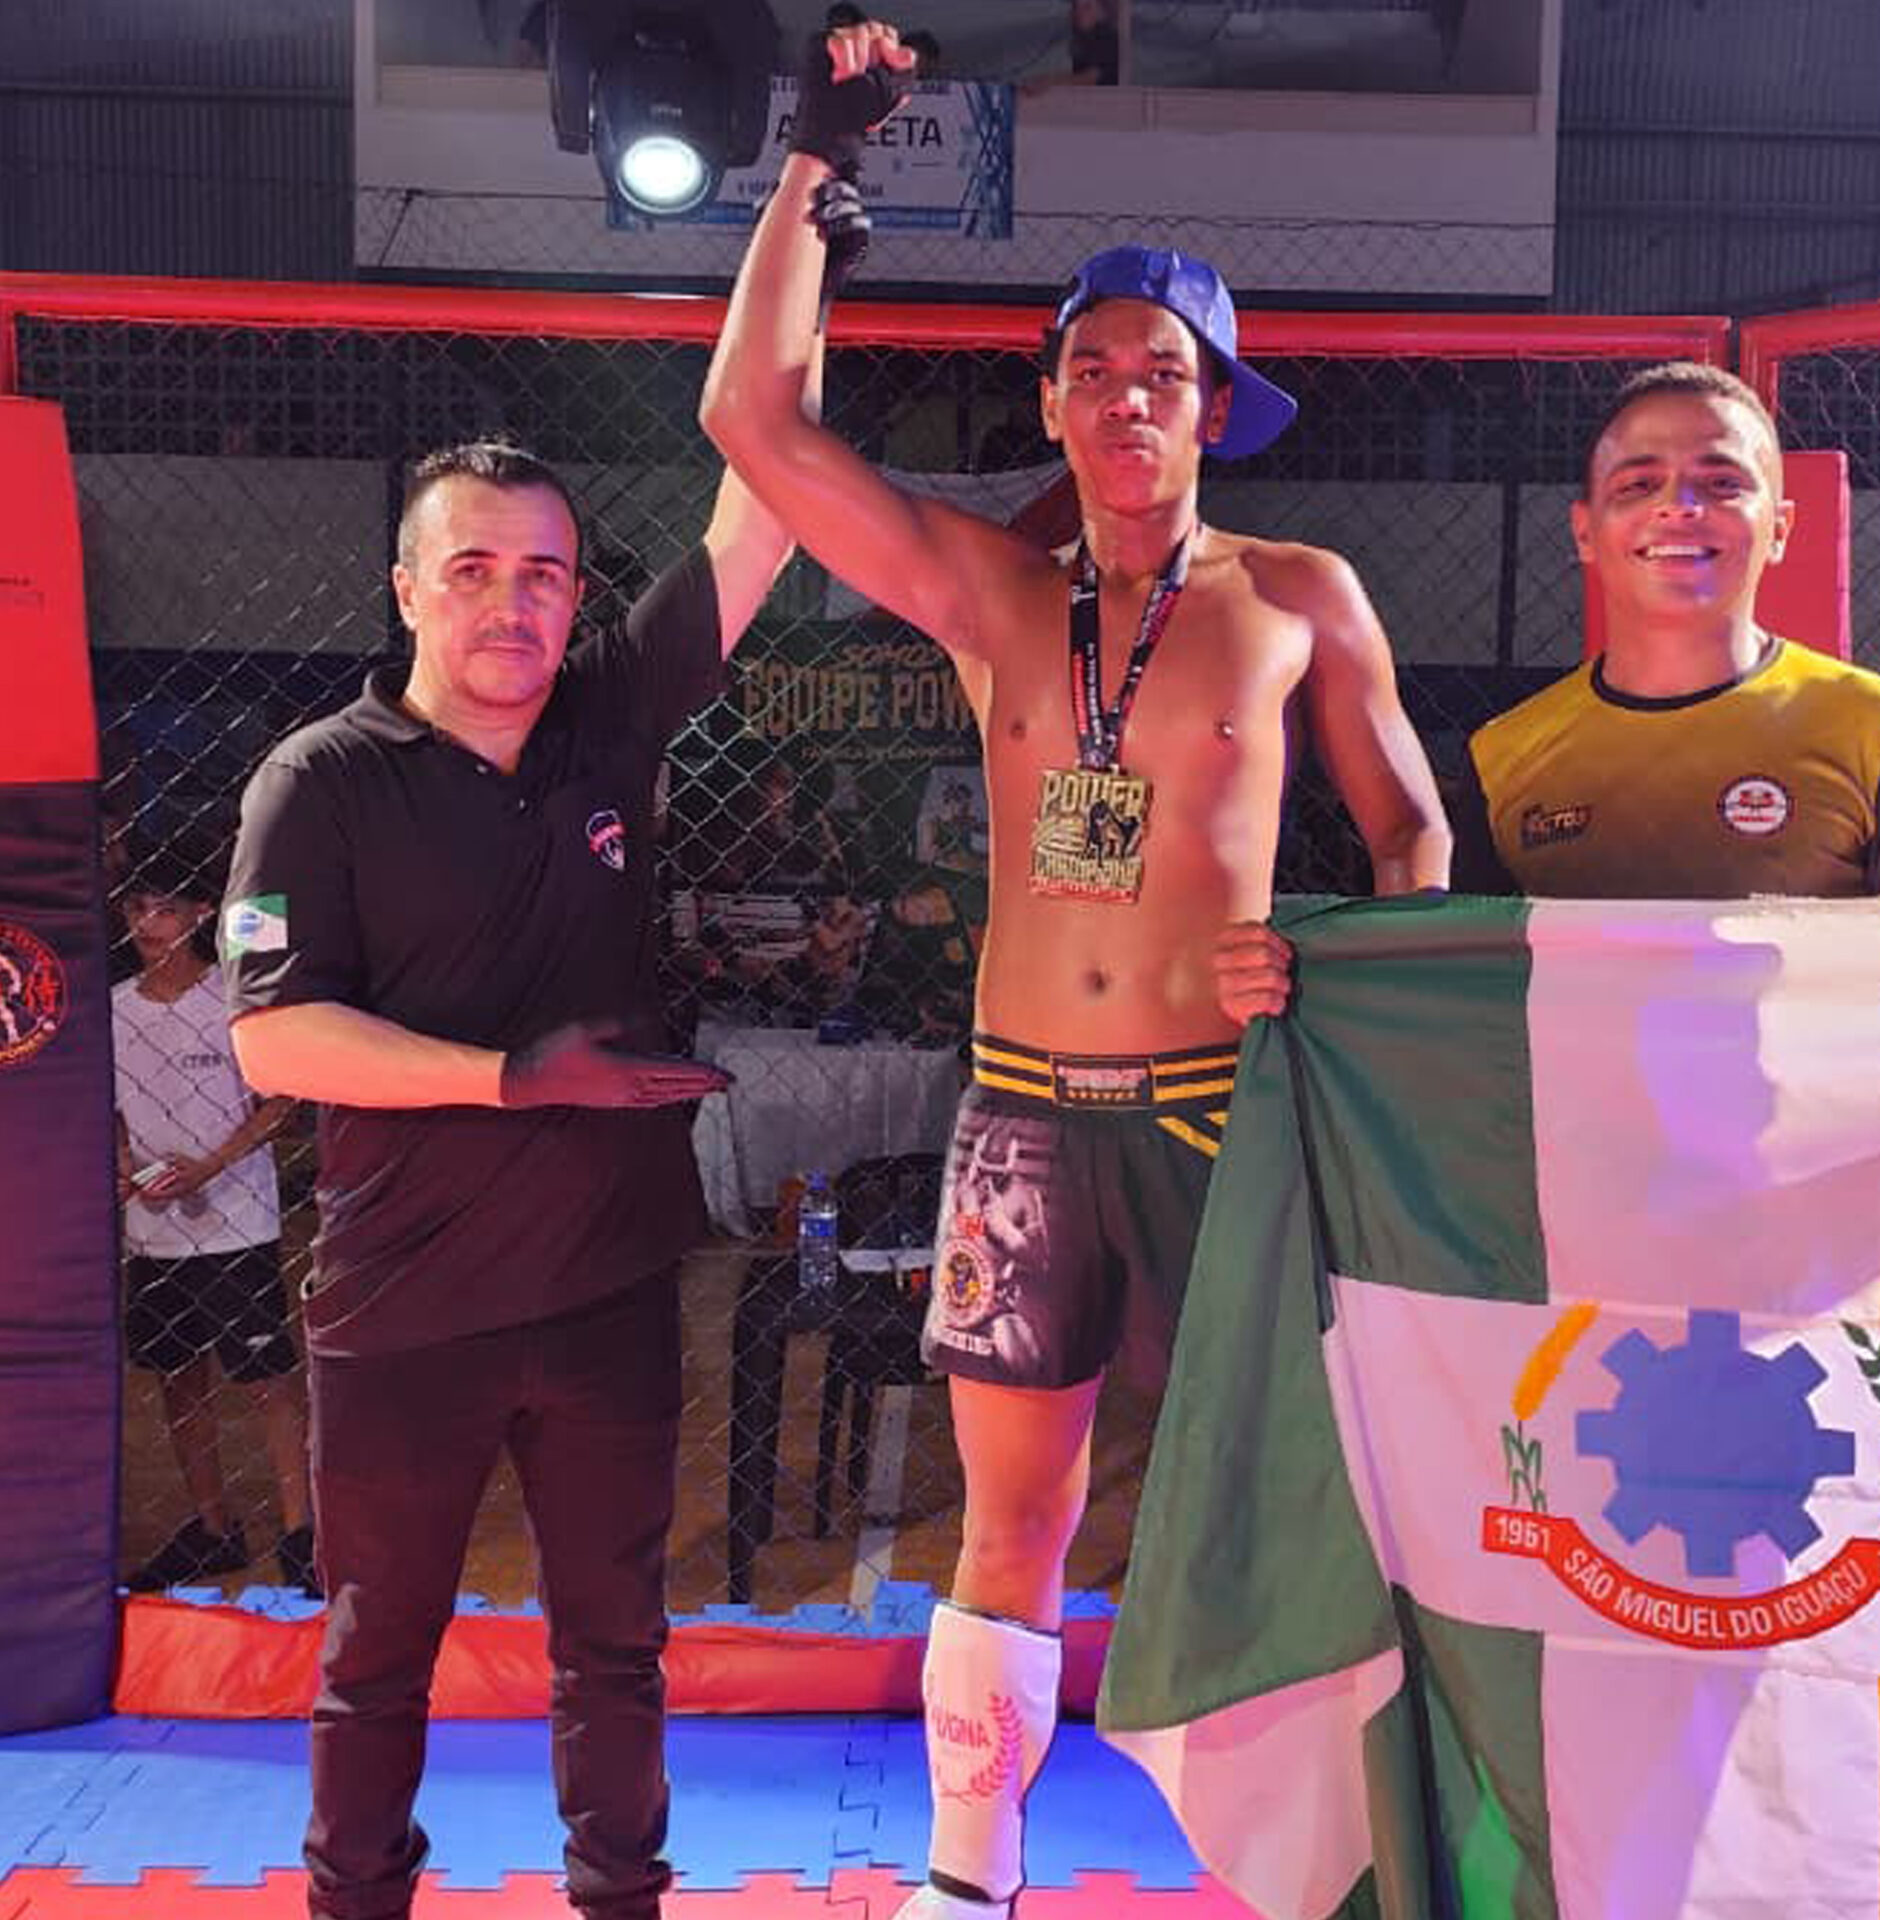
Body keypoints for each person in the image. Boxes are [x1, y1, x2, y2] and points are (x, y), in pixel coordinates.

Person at [699, 25, 1451, 1918]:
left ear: (1218, 410)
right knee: (1011, 1515)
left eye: (1166, 374)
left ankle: (1343, 1864)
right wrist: (811, 166)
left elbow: (1413, 839)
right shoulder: (997, 596)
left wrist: (1341, 981)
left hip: (1224, 1117)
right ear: (1050, 401)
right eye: (1097, 371)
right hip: (1025, 1117)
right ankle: (969, 1877)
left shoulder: (1299, 597)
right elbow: (755, 428)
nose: (1130, 400)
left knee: (1298, 1497)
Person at [222, 438, 795, 1920]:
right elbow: (274, 1038)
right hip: (404, 1301)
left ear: (577, 595)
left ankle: (621, 1900)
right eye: (472, 569)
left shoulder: (605, 722)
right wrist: (509, 1076)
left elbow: (763, 512)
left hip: (607, 1291)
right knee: (375, 1653)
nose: (511, 602)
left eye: (544, 573)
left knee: (617, 1644)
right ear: (408, 588)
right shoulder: (319, 783)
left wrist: (797, 290)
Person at [1216, 361, 1880, 1036]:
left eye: (1721, 482)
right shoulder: (1507, 755)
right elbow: (1465, 1019)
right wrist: (1295, 981)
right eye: (1638, 483)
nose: (1679, 506)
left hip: (1816, 1228)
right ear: (1585, 531)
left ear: (1779, 526)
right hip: (1581, 1225)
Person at [111, 837, 311, 1596]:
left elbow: (283, 1098)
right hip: (153, 1227)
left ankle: (301, 1531)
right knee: (177, 1376)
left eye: (164, 908)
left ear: (201, 913)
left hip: (237, 1221)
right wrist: (125, 1167)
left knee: (267, 1379)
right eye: (137, 908)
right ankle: (212, 1526)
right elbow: (111, 1109)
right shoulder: (115, 1008)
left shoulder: (232, 998)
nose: (148, 923)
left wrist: (214, 1164)